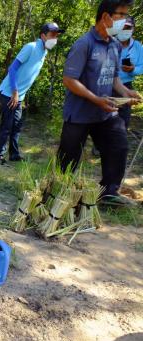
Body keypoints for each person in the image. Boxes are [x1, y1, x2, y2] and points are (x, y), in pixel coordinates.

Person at [57, 0, 141, 206]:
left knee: (118, 145)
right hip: (79, 113)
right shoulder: (84, 44)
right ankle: (58, 191)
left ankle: (108, 193)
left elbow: (114, 79)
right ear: (106, 17)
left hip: (105, 113)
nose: (126, 20)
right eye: (122, 14)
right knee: (69, 157)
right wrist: (95, 99)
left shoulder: (114, 45)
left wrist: (126, 92)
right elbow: (69, 80)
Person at [0, 23, 65, 165]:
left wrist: (21, 95)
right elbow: (13, 68)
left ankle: (14, 154)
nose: (55, 38)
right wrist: (15, 92)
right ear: (43, 35)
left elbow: (27, 75)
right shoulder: (31, 47)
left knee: (17, 125)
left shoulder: (44, 51)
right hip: (9, 93)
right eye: (52, 34)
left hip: (18, 96)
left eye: (56, 35)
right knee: (7, 125)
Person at [116, 16, 143, 128]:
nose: (124, 30)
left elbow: (141, 66)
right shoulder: (110, 43)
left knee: (123, 120)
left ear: (133, 29)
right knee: (105, 120)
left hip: (127, 85)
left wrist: (133, 69)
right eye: (122, 26)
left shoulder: (137, 46)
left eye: (127, 27)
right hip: (107, 86)